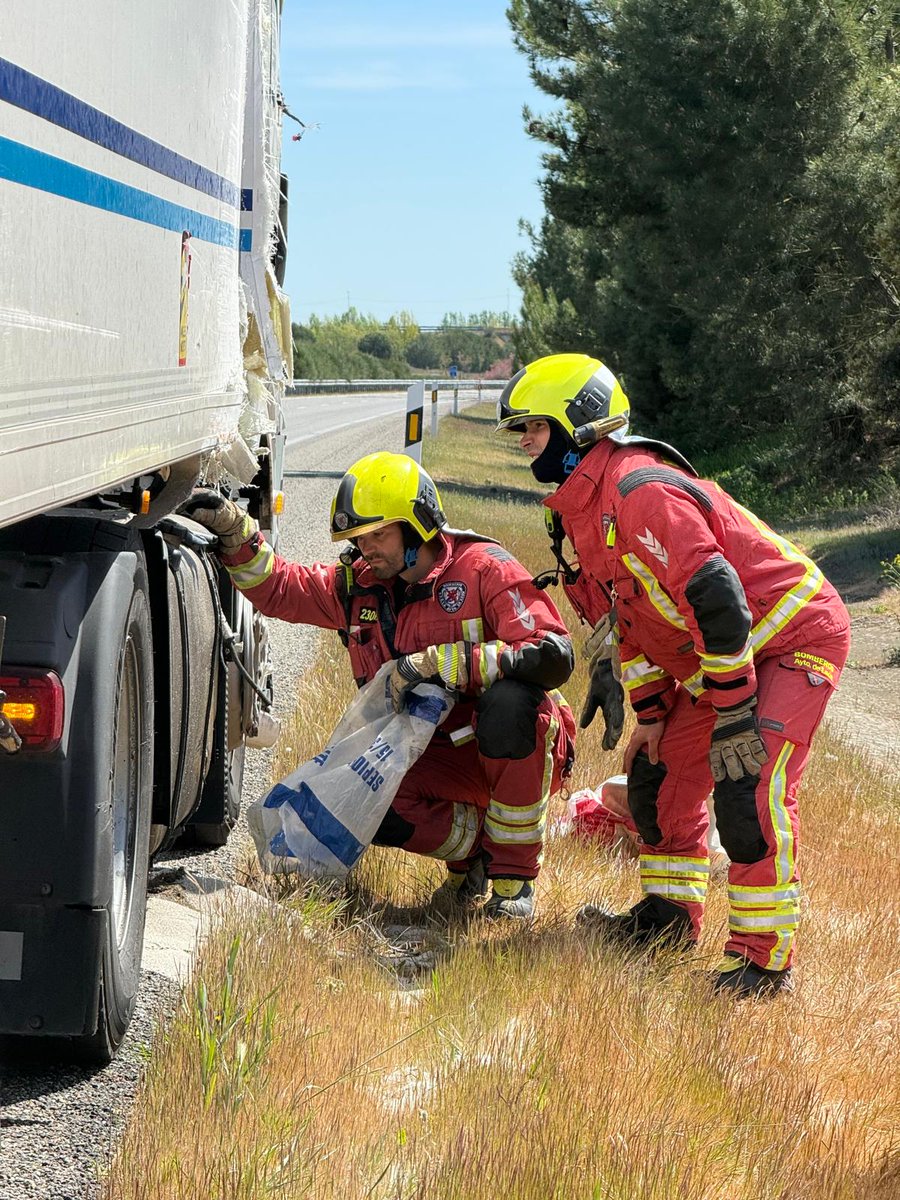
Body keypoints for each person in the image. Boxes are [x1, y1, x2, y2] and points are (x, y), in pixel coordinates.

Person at [495, 353, 851, 995]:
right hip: (728, 652)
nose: (524, 442)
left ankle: (764, 965)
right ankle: (665, 922)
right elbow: (633, 622)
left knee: (749, 786)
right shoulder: (579, 509)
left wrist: (735, 714)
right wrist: (654, 716)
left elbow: (716, 596)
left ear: (577, 426)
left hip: (794, 633)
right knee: (655, 784)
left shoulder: (640, 492)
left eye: (534, 427)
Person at [181, 451, 577, 920]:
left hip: (511, 745)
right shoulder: (359, 589)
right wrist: (235, 531)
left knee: (511, 702)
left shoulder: (483, 570)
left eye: (379, 534)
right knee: (363, 797)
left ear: (419, 524)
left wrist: (444, 662)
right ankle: (475, 855)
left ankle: (513, 885)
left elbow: (553, 655)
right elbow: (279, 588)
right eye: (360, 538)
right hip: (431, 752)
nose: (368, 548)